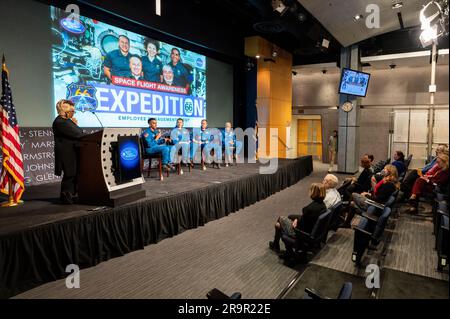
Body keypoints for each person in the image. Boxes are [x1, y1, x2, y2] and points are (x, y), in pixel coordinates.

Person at [269, 183, 327, 253]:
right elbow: (306, 219)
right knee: (287, 219)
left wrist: (295, 223)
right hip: (314, 232)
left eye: (311, 190)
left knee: (279, 221)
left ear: (314, 192)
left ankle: (287, 251)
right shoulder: (323, 206)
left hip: (301, 234)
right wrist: (297, 220)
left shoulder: (309, 209)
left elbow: (301, 225)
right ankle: (277, 245)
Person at [52, 99, 86, 204]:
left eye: (72, 109)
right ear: (61, 109)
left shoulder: (67, 121)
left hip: (71, 151)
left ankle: (71, 195)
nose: (71, 110)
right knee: (69, 175)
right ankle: (66, 197)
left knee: (73, 174)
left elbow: (78, 132)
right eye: (68, 108)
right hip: (66, 153)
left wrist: (74, 124)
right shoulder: (60, 122)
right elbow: (78, 133)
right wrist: (75, 125)